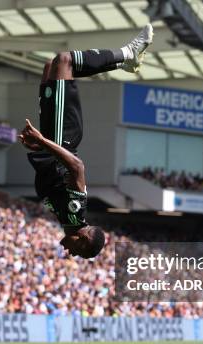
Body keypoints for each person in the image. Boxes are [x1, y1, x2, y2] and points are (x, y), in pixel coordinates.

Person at [19, 24, 154, 258]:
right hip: (62, 136)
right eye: (76, 251)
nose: (68, 252)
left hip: (53, 138)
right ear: (83, 240)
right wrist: (43, 142)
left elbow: (51, 175)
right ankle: (127, 54)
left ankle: (123, 62)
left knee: (51, 67)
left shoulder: (65, 217)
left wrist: (39, 147)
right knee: (64, 61)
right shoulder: (75, 213)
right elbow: (77, 167)